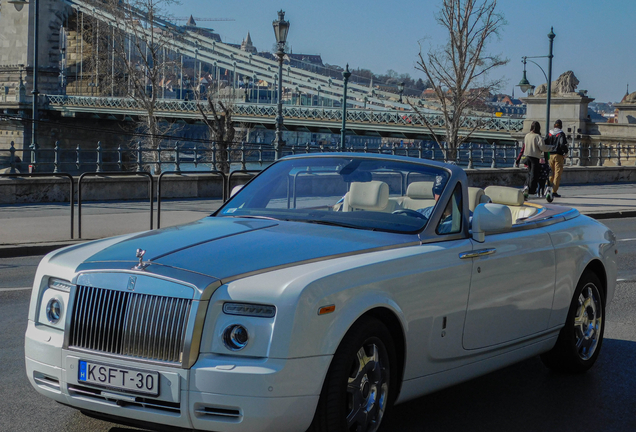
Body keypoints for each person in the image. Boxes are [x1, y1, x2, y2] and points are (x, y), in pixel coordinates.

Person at [522, 121, 552, 197]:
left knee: (529, 173)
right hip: (535, 157)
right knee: (534, 174)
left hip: (527, 156)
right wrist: (551, 147)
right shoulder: (537, 136)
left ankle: (526, 186)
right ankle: (531, 190)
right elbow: (543, 147)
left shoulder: (527, 135)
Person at [547, 119, 568, 197]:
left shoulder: (549, 133)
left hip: (550, 155)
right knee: (557, 174)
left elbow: (545, 142)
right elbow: (562, 144)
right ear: (561, 126)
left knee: (550, 172)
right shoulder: (561, 134)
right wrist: (565, 152)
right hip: (558, 155)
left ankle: (547, 187)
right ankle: (554, 191)